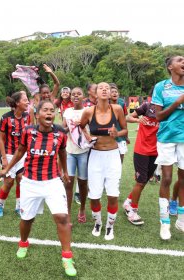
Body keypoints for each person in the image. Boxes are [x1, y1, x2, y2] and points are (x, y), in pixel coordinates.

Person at [0, 100, 77, 277]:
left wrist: (65, 171)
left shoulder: (60, 133)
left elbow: (63, 152)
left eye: (52, 110)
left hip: (52, 181)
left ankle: (67, 257)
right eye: (46, 110)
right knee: (27, 220)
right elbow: (20, 151)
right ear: (37, 114)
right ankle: (24, 242)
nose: (50, 113)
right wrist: (7, 168)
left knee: (62, 217)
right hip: (30, 182)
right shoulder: (28, 132)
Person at [80, 82, 127, 240]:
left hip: (113, 155)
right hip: (95, 156)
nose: (105, 90)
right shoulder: (88, 111)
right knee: (94, 196)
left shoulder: (117, 109)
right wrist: (88, 136)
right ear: (94, 93)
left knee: (113, 195)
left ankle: (109, 227)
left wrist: (117, 133)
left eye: (107, 87)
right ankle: (98, 223)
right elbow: (81, 126)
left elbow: (125, 130)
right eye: (101, 88)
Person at [151, 55, 184, 240]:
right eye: (180, 60)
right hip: (166, 137)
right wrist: (178, 102)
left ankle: (181, 219)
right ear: (170, 66)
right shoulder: (161, 86)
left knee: (183, 178)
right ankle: (165, 223)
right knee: (167, 178)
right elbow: (158, 117)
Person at [122, 99, 159, 225]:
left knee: (144, 181)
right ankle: (132, 211)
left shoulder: (167, 109)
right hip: (141, 150)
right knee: (140, 181)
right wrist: (138, 119)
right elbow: (127, 117)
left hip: (156, 152)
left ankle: (128, 202)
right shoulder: (147, 106)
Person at [0, 91, 30, 217]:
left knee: (21, 179)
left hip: (22, 156)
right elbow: (1, 139)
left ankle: (19, 206)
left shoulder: (27, 116)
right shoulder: (6, 118)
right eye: (25, 100)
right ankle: (0, 206)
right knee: (9, 182)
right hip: (8, 154)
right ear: (17, 103)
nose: (27, 102)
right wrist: (3, 158)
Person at [62, 87, 91, 223]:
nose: (75, 96)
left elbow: (92, 129)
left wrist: (82, 125)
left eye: (78, 94)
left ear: (83, 96)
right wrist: (70, 126)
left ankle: (82, 209)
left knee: (83, 183)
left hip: (84, 152)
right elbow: (63, 130)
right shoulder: (67, 111)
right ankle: (67, 213)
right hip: (70, 152)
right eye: (73, 94)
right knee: (68, 183)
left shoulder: (88, 111)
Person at [109, 83, 128, 163]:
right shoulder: (105, 104)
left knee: (121, 157)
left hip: (121, 135)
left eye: (116, 92)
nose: (114, 93)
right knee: (110, 158)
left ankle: (118, 173)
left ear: (118, 93)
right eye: (112, 92)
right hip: (110, 136)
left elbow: (125, 120)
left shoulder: (122, 103)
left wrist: (126, 136)